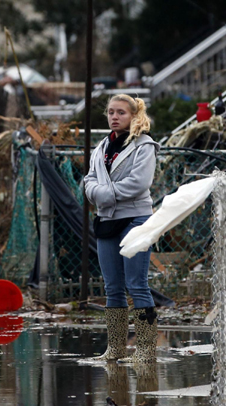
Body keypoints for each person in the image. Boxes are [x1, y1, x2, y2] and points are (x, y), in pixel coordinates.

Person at [84, 94, 159, 363]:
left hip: (136, 218)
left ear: (133, 116)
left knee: (136, 284)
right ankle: (115, 348)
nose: (115, 117)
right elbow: (88, 181)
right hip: (106, 221)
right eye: (111, 112)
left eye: (121, 113)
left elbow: (139, 183)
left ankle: (146, 350)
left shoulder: (144, 146)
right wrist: (97, 192)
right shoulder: (101, 147)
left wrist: (104, 194)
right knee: (112, 286)